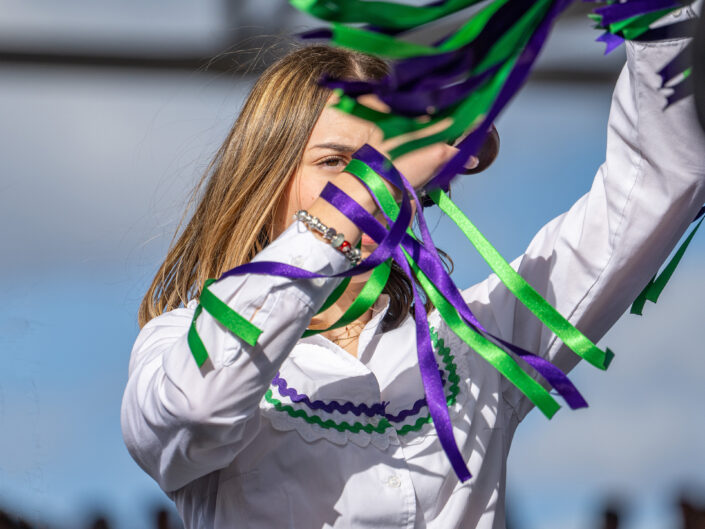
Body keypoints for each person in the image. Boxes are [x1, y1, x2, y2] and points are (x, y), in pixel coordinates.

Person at [121, 7, 705, 528]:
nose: (375, 187)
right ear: (266, 177)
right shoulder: (176, 342)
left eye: (389, 165)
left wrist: (659, 17)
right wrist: (362, 193)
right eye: (335, 162)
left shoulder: (474, 339)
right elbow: (197, 411)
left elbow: (655, 188)